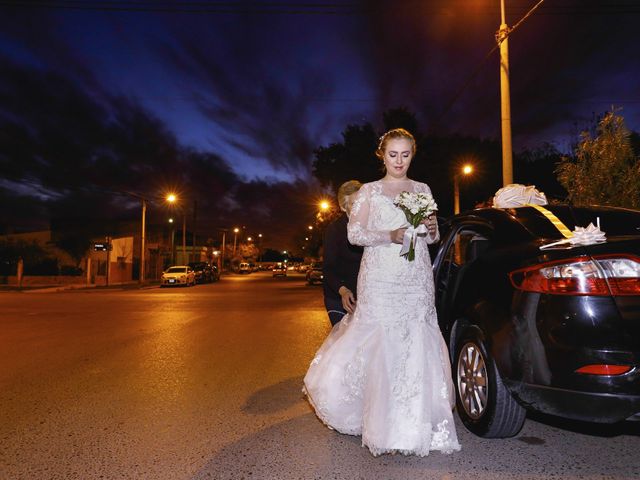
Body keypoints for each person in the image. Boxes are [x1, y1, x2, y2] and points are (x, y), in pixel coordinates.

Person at [304, 128, 460, 457]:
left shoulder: (422, 189)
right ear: (382, 155)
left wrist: (431, 229)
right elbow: (355, 234)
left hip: (415, 276)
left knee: (417, 337)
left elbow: (430, 238)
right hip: (380, 277)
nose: (399, 161)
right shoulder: (369, 192)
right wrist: (390, 234)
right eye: (393, 155)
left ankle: (415, 422)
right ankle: (379, 420)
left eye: (405, 154)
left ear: (412, 154)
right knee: (381, 340)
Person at [322, 180, 364, 326]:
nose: (359, 208)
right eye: (354, 204)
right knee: (343, 343)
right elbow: (328, 268)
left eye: (361, 202)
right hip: (338, 297)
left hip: (365, 297)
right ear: (343, 206)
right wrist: (343, 291)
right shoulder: (335, 230)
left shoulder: (371, 227)